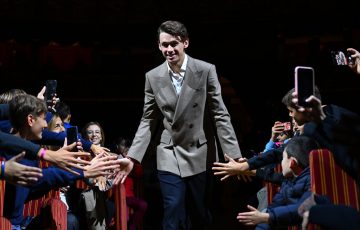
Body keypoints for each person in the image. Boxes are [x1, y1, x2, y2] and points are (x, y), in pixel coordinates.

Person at [114, 20, 242, 230]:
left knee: (199, 212)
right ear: (158, 46)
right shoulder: (153, 76)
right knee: (172, 208)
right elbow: (148, 119)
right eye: (164, 45)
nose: (169, 49)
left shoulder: (205, 70)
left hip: (199, 151)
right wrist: (132, 157)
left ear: (185, 43)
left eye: (174, 44)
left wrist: (234, 155)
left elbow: (220, 114)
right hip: (169, 152)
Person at [237, 136, 319, 229]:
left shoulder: (313, 181)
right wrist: (265, 217)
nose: (281, 163)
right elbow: (274, 207)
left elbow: (302, 208)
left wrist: (268, 217)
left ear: (292, 163)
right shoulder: (288, 181)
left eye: (283, 158)